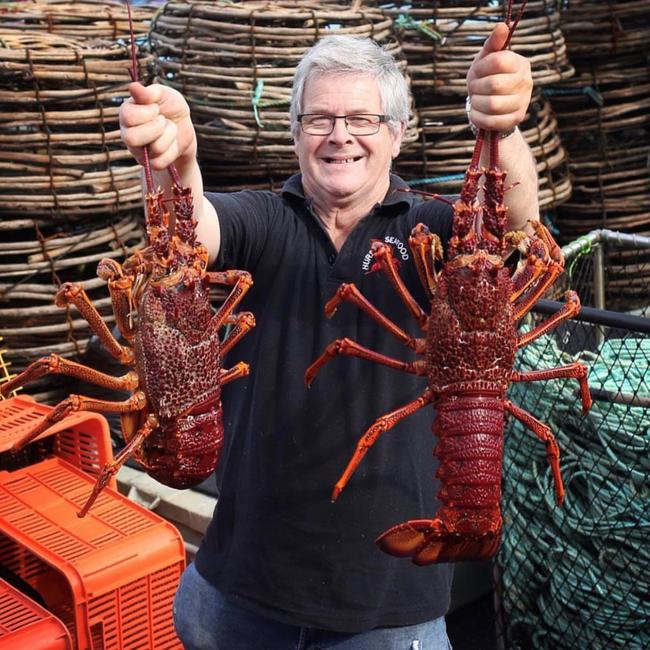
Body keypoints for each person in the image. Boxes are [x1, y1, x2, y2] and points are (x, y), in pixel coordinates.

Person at [120, 22, 536, 650]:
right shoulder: (263, 221)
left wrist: (502, 131)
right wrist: (180, 163)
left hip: (389, 605)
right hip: (241, 584)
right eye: (318, 119)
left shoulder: (434, 234)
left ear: (397, 135)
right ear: (294, 136)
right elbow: (198, 232)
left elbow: (517, 225)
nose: (340, 134)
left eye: (363, 119)